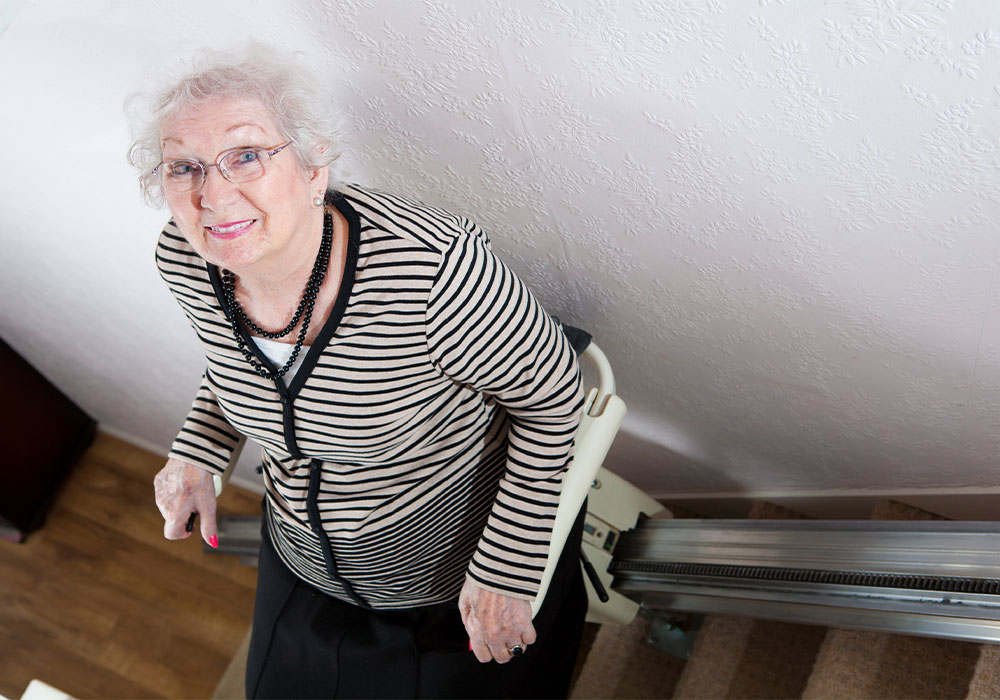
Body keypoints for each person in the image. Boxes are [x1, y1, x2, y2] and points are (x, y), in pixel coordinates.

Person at [129, 45, 587, 699]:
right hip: (301, 559)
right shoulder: (185, 257)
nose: (213, 193)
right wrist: (198, 449)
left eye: (247, 154)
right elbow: (234, 366)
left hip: (449, 572)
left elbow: (553, 400)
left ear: (315, 166)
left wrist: (505, 564)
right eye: (185, 167)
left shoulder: (433, 270)